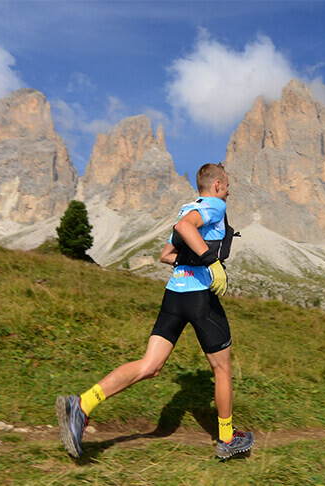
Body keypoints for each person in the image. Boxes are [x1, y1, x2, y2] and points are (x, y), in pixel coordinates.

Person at [55, 163, 254, 460]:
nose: (228, 191)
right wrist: (211, 262)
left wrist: (190, 260)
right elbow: (185, 228)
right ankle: (227, 437)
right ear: (216, 185)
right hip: (199, 297)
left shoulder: (187, 208)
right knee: (222, 368)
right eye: (226, 186)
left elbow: (166, 255)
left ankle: (81, 405)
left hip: (174, 295)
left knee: (150, 365)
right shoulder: (214, 206)